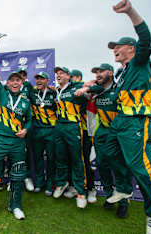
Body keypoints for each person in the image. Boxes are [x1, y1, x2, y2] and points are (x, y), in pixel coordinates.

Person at [78, 1, 151, 232]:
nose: (114, 49)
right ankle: (124, 188)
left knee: (141, 168)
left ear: (132, 49)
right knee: (106, 154)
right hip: (119, 122)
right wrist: (88, 88)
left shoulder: (139, 60)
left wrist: (129, 11)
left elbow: (146, 39)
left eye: (119, 46)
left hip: (135, 121)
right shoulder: (123, 71)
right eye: (113, 47)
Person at [0, 39, 32, 220]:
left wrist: (26, 129)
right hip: (0, 140)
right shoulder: (1, 94)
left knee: (18, 173)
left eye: (18, 80)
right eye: (12, 80)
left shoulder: (25, 101)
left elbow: (30, 120)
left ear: (22, 83)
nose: (15, 82)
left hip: (18, 142)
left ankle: (15, 206)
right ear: (8, 83)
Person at [77, 63, 133, 218]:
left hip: (119, 133)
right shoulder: (98, 90)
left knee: (120, 168)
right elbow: (90, 88)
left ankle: (123, 202)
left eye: (101, 72)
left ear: (110, 72)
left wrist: (87, 87)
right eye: (96, 73)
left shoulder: (120, 88)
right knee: (102, 166)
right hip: (102, 131)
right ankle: (110, 196)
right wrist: (86, 87)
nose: (98, 75)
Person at [52, 66, 89, 209]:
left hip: (73, 126)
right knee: (60, 157)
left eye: (61, 73)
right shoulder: (57, 90)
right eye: (57, 74)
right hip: (59, 126)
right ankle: (61, 183)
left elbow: (92, 86)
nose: (58, 75)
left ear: (69, 76)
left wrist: (85, 89)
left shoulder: (76, 87)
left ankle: (81, 192)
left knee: (76, 159)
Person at [64, 69, 97, 203]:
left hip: (85, 131)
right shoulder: (71, 90)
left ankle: (90, 189)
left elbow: (92, 88)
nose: (70, 80)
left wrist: (85, 88)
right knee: (72, 160)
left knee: (83, 162)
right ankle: (73, 187)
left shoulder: (85, 89)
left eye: (72, 77)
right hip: (73, 131)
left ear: (78, 77)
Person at [28, 71, 57, 195]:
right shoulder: (32, 92)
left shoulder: (54, 92)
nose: (39, 81)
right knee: (38, 158)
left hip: (51, 130)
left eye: (42, 79)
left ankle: (50, 184)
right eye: (37, 79)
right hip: (37, 130)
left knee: (51, 158)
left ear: (47, 81)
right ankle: (39, 183)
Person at [16, 68, 35, 192]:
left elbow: (34, 99)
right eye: (20, 75)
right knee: (12, 153)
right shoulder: (10, 87)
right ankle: (14, 178)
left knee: (27, 152)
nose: (22, 77)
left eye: (24, 75)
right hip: (13, 125)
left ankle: (27, 177)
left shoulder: (28, 86)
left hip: (26, 125)